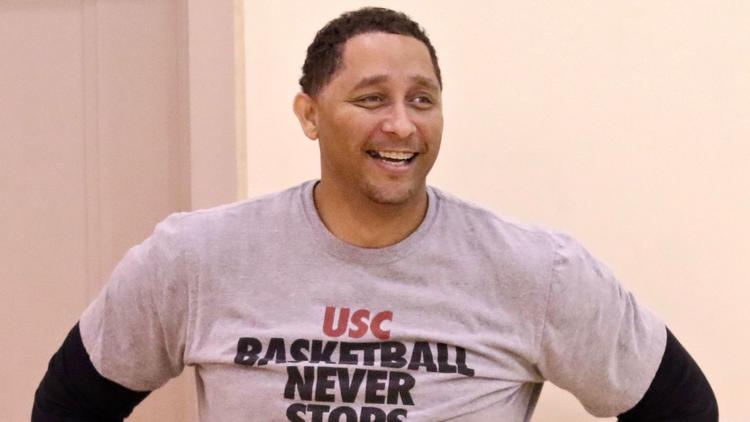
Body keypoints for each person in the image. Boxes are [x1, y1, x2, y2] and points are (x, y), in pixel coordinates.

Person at [33, 7, 717, 422]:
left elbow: (680, 407)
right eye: (370, 99)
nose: (402, 125)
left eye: (422, 100)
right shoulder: (196, 257)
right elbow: (70, 406)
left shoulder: (538, 270)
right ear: (310, 114)